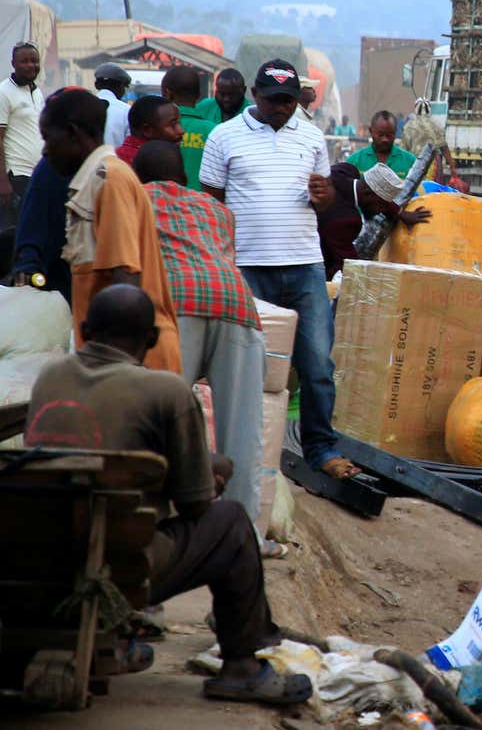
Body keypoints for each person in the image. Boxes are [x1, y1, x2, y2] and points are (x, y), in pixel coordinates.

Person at [24, 285, 313, 705]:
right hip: (116, 570)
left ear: (84, 329)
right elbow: (196, 504)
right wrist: (208, 473)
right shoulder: (165, 392)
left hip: (40, 562)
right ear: (153, 340)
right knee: (230, 523)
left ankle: (118, 639)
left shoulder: (50, 377)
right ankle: (242, 667)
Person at [200, 60, 357, 480]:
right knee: (246, 366)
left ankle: (320, 448)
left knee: (317, 365)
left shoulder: (311, 137)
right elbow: (212, 203)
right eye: (273, 100)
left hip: (305, 266)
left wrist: (325, 197)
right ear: (256, 94)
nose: (281, 108)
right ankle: (247, 449)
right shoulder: (224, 136)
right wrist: (219, 261)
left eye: (288, 101)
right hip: (248, 268)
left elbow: (321, 202)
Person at [133, 142, 273, 549]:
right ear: (184, 176)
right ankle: (245, 539)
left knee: (160, 420)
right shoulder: (217, 210)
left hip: (178, 303)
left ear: (139, 175)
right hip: (237, 304)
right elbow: (222, 254)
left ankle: (149, 531)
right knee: (243, 429)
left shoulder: (136, 197)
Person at [40, 88, 182, 373]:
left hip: (130, 367)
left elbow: (125, 281)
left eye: (47, 138)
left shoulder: (109, 179)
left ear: (72, 133)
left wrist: (115, 375)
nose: (45, 150)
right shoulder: (94, 179)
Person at [318, 161, 428, 279]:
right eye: (381, 205)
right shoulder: (347, 220)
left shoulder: (344, 171)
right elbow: (349, 265)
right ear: (368, 194)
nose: (380, 211)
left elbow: (376, 197)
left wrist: (399, 212)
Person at [8, 156, 71, 300]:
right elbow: (28, 249)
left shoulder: (108, 173)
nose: (45, 148)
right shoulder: (50, 168)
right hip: (55, 294)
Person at [0, 42, 44, 234]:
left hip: (36, 176)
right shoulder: (4, 92)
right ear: (13, 63)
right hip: (16, 176)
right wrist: (3, 182)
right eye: (24, 61)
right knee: (15, 235)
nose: (30, 65)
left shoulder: (37, 92)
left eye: (34, 61)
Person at [162, 66, 218, 191]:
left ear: (168, 94)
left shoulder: (158, 128)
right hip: (205, 206)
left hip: (165, 203)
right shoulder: (215, 131)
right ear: (198, 95)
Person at [347, 110, 418, 179]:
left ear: (395, 132)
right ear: (371, 131)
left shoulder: (410, 162)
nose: (385, 139)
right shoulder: (354, 162)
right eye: (380, 135)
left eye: (389, 135)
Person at [115, 94, 186, 165]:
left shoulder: (114, 158)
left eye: (179, 123)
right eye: (173, 125)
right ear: (147, 130)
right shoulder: (154, 164)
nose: (181, 131)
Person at [94, 63, 133, 150]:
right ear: (120, 86)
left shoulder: (83, 106)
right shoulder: (126, 110)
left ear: (96, 85)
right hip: (116, 162)